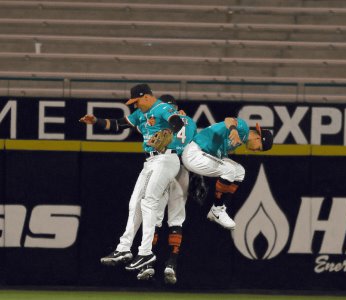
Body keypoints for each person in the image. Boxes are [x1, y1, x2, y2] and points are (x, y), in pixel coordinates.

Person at [79, 84, 184, 270]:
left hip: (166, 158)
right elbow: (118, 124)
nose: (135, 106)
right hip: (151, 161)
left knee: (149, 202)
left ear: (146, 97)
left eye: (136, 102)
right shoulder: (139, 115)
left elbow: (177, 121)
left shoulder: (161, 108)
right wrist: (96, 120)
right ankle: (124, 248)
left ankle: (145, 253)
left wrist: (167, 132)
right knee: (134, 203)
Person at [136, 94, 197, 284]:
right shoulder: (190, 123)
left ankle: (147, 265)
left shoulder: (154, 118)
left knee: (154, 218)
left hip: (162, 166)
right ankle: (172, 263)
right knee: (176, 219)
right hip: (182, 169)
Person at [181, 118, 273, 230]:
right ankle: (217, 209)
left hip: (203, 155)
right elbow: (229, 120)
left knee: (240, 172)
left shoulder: (239, 141)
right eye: (258, 148)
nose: (255, 151)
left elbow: (218, 151)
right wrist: (234, 130)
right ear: (258, 138)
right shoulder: (243, 128)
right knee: (229, 169)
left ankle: (217, 208)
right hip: (194, 153)